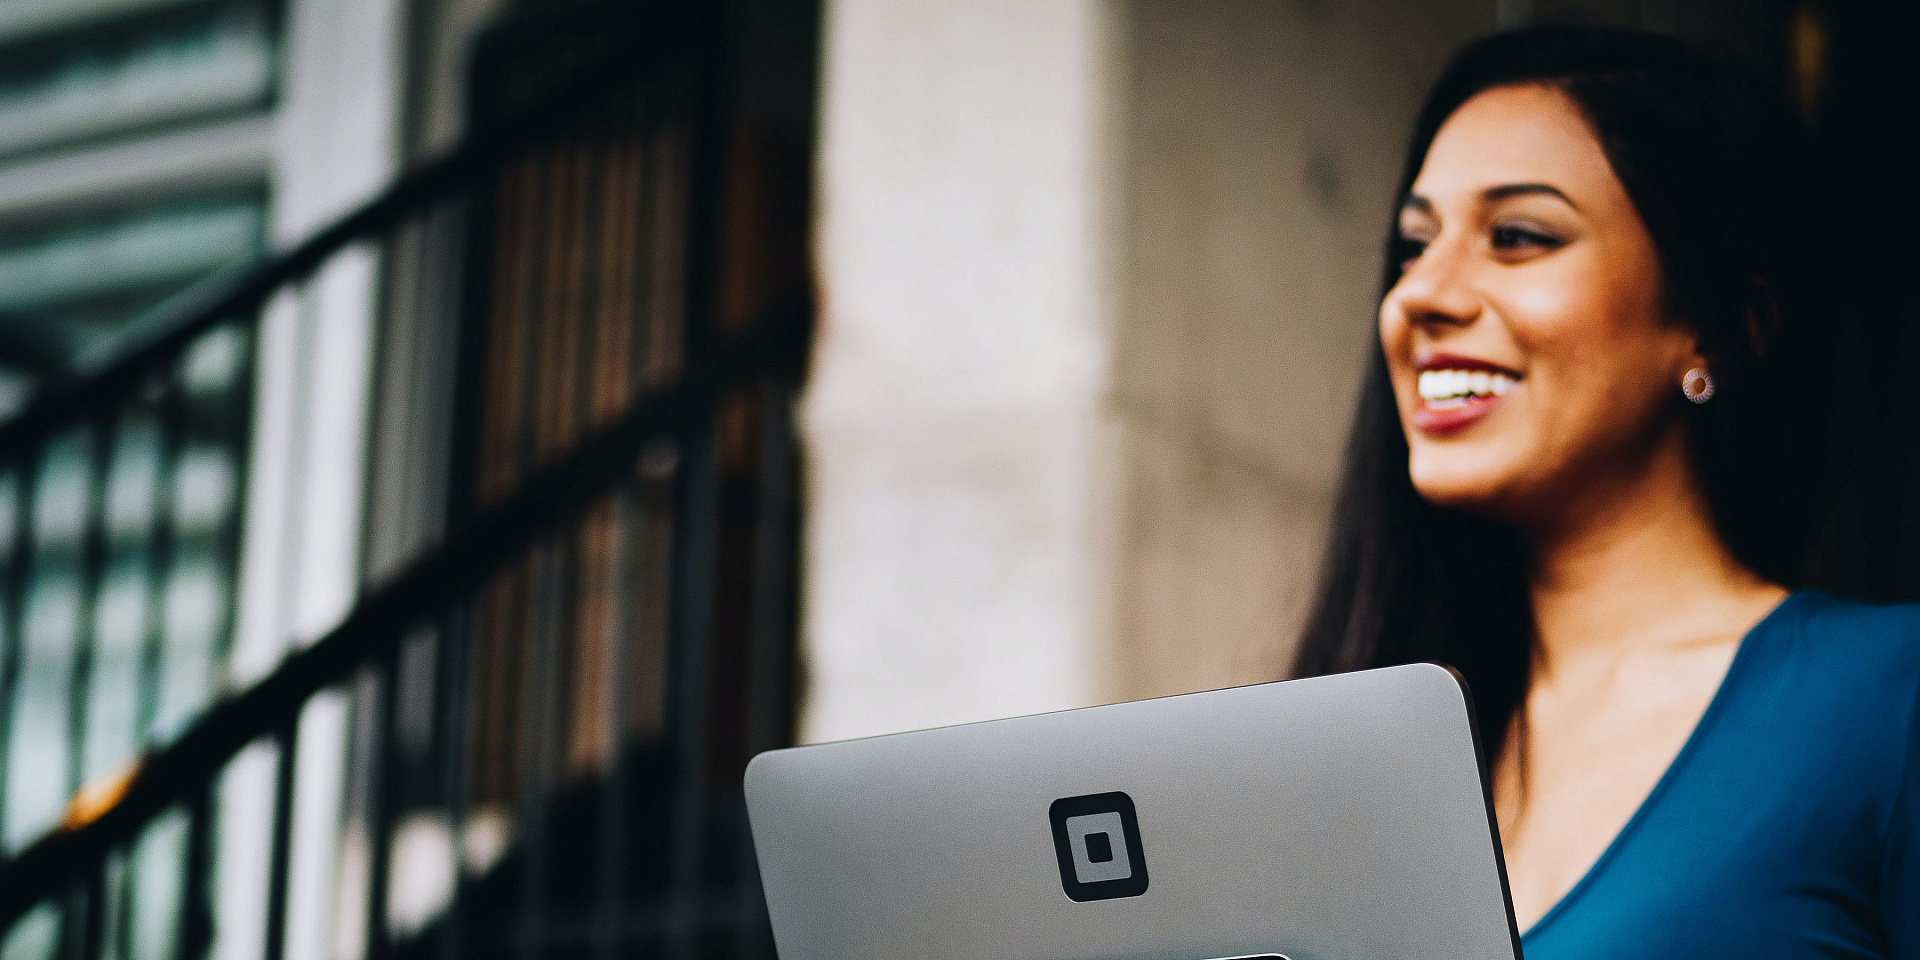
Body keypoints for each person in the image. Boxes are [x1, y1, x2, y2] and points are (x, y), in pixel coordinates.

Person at [1290, 26, 1920, 958]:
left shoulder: (1886, 698)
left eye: (1518, 236)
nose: (1418, 295)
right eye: (1414, 244)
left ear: (1716, 327)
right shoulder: (1345, 753)